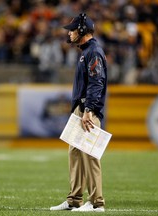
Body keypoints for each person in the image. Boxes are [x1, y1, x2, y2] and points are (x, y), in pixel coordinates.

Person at [50, 13, 107, 212]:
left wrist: (88, 110)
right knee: (74, 152)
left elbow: (96, 82)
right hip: (81, 108)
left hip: (87, 110)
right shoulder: (86, 51)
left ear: (82, 30)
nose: (70, 33)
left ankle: (96, 202)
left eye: (73, 29)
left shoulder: (93, 51)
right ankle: (75, 199)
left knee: (90, 155)